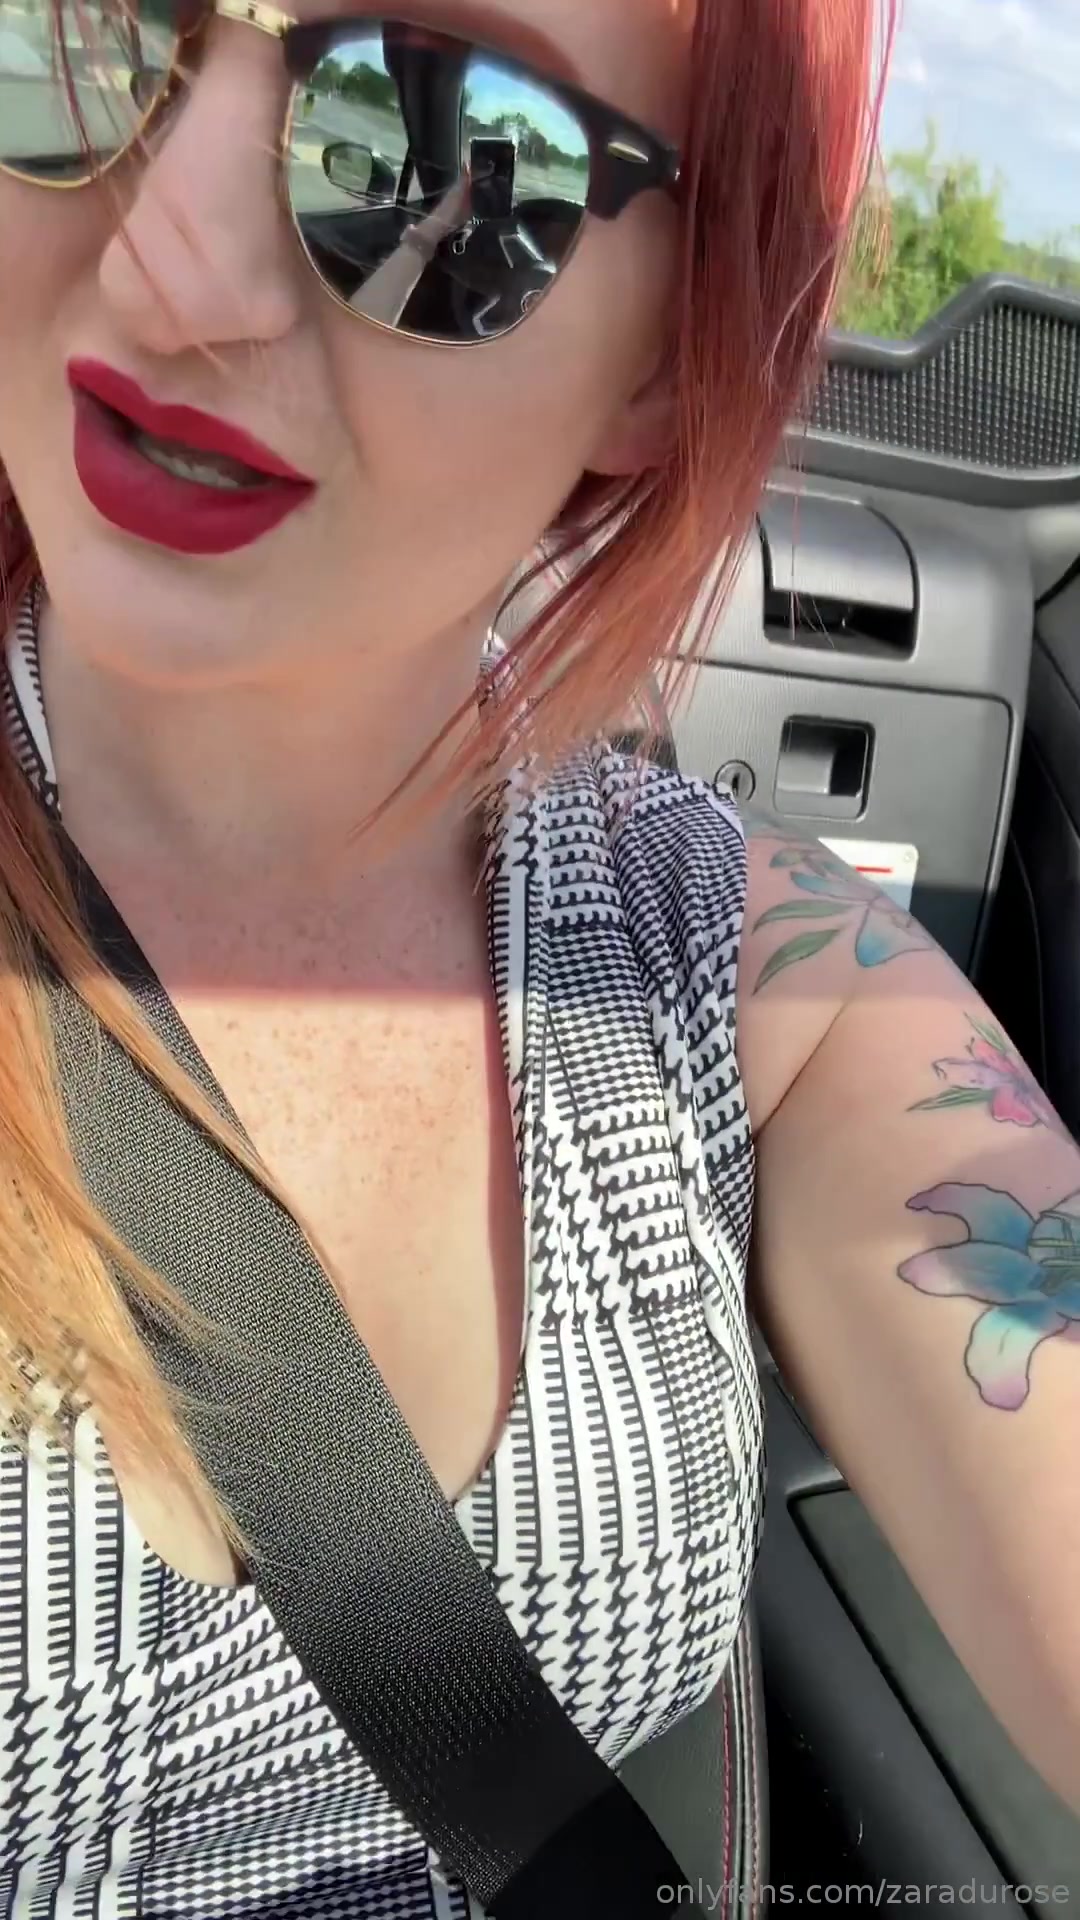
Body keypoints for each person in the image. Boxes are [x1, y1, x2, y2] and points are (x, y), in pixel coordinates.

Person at [0, 0, 1077, 1912]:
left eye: (436, 141)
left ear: (667, 358)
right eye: (86, 35)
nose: (173, 266)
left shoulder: (741, 972)